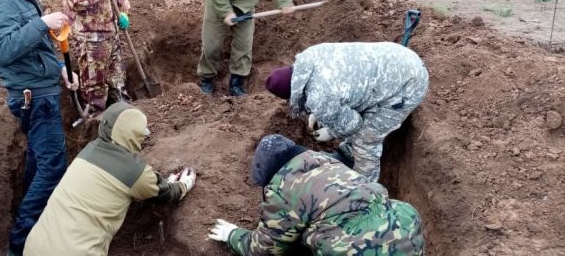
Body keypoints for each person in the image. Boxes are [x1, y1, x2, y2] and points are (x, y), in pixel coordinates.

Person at [0, 0, 79, 255]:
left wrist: (61, 68)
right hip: (33, 97)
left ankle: (30, 221)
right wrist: (42, 22)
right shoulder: (1, 3)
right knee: (52, 168)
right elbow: (5, 50)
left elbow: (35, 46)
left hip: (42, 89)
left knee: (38, 161)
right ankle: (20, 245)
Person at [23, 102, 196, 255]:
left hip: (34, 246)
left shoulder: (88, 150)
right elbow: (164, 194)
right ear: (132, 134)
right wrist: (183, 185)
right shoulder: (134, 170)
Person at [208, 134, 425, 255]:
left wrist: (233, 235)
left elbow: (264, 249)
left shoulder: (282, 189)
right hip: (407, 237)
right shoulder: (329, 163)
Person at [264, 42, 429, 182]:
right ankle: (349, 155)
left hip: (407, 85)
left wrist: (331, 129)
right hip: (398, 58)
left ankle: (366, 190)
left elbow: (353, 125)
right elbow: (341, 89)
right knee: (356, 116)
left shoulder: (320, 98)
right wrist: (327, 114)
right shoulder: (309, 56)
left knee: (366, 140)